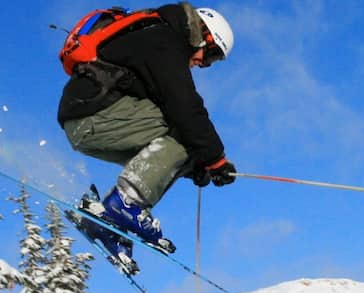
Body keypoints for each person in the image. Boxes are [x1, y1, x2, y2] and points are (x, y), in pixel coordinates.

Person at [57, 3, 236, 273]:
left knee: (189, 147)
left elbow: (168, 143)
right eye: (210, 55)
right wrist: (215, 158)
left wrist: (198, 164)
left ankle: (106, 223)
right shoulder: (164, 40)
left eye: (212, 62)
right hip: (94, 116)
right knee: (186, 130)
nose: (203, 63)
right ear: (203, 35)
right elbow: (184, 106)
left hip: (89, 121)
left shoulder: (158, 38)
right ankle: (125, 203)